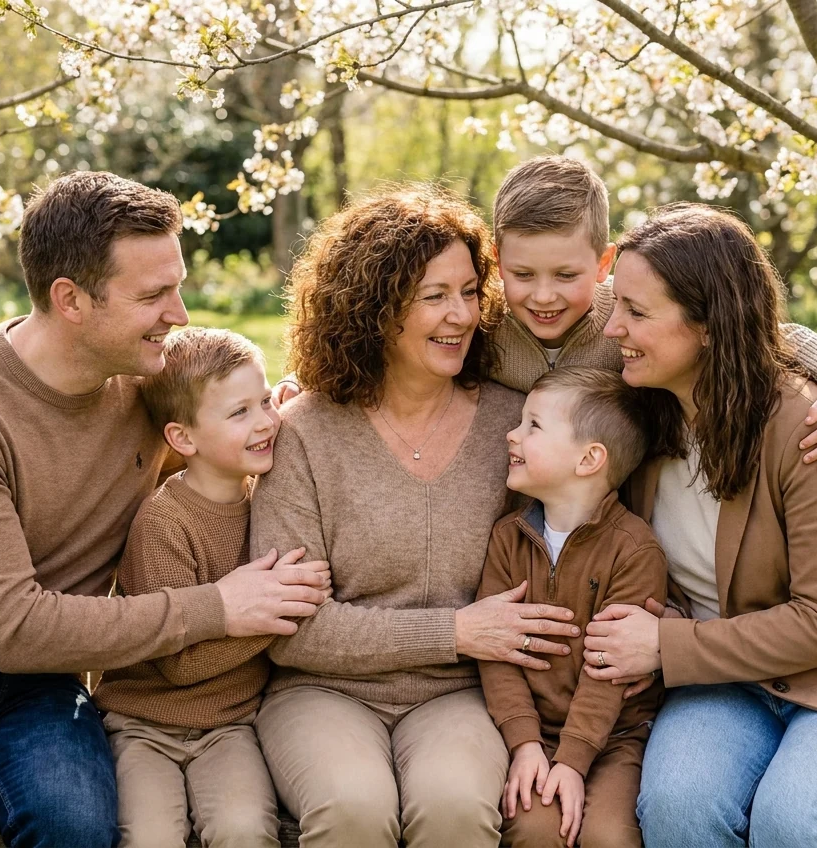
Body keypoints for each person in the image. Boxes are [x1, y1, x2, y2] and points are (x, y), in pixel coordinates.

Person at [0, 172, 331, 848]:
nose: (180, 313)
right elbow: (14, 628)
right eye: (154, 294)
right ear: (70, 299)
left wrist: (285, 414)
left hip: (36, 694)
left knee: (75, 829)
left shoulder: (148, 385)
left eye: (178, 285)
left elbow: (222, 417)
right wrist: (218, 607)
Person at [581, 203, 817, 848]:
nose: (614, 329)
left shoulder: (810, 427)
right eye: (617, 305)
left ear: (708, 327)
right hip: (725, 685)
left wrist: (666, 646)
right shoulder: (642, 408)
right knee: (675, 807)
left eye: (637, 313)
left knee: (794, 821)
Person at [250, 185, 584, 848]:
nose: (461, 315)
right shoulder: (305, 433)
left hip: (462, 695)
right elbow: (295, 633)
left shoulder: (514, 425)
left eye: (468, 292)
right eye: (434, 297)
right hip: (322, 691)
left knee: (456, 808)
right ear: (374, 309)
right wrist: (456, 631)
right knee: (353, 810)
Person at [280, 155, 817, 471]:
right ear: (496, 256)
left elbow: (775, 337)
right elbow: (382, 344)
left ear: (603, 261)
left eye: (567, 276)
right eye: (523, 275)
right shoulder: (479, 325)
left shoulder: (632, 314)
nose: (543, 296)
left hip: (626, 518)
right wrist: (299, 386)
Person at [94, 328, 329, 848]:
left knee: (245, 831)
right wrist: (283, 611)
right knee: (151, 836)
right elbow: (180, 665)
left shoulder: (271, 500)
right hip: (143, 724)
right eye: (239, 413)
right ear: (183, 438)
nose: (266, 422)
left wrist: (290, 395)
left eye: (265, 401)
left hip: (232, 725)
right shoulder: (164, 523)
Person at [479, 367, 666, 848]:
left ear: (589, 459)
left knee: (609, 836)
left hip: (619, 737)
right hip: (533, 734)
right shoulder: (509, 539)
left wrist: (574, 760)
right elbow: (496, 653)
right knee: (537, 828)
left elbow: (611, 667)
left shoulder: (634, 550)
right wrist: (524, 745)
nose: (511, 434)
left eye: (532, 426)